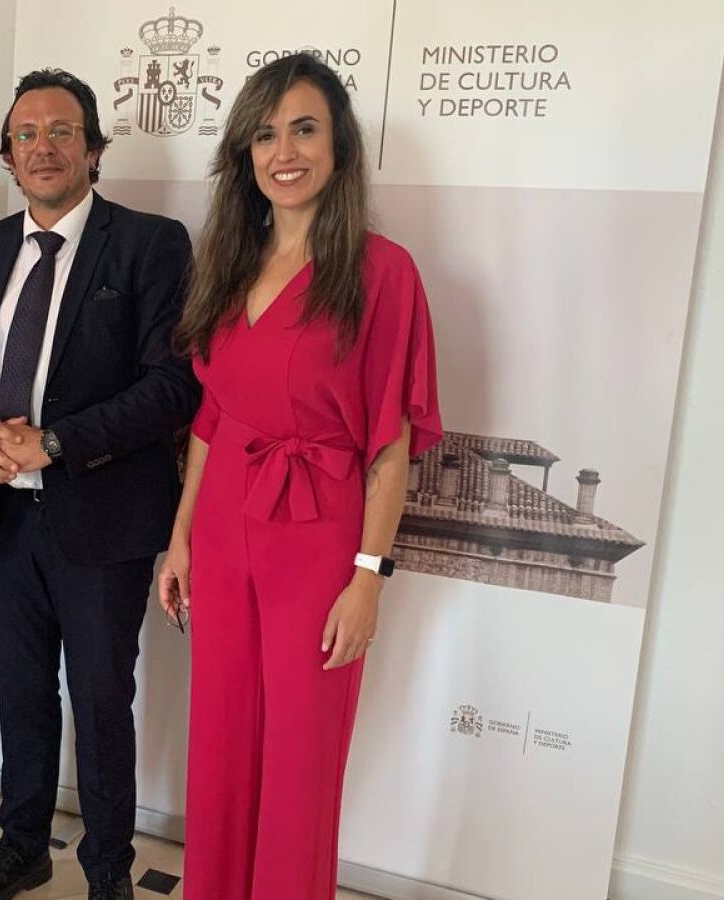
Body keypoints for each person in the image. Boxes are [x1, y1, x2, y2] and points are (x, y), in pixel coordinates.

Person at [158, 53, 443, 899]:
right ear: (244, 154)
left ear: (340, 146)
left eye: (304, 129)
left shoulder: (382, 272)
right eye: (265, 135)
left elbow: (389, 447)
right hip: (223, 529)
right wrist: (181, 540)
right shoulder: (228, 262)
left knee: (299, 764)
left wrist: (369, 578)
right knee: (220, 746)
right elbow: (211, 420)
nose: (284, 152)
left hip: (319, 540)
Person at [0, 69, 197, 900]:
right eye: (26, 134)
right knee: (19, 695)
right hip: (4, 520)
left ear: (92, 149)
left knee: (99, 702)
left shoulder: (151, 244)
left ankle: (107, 870)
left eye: (61, 131)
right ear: (7, 154)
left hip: (103, 520)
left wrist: (54, 443)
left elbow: (172, 388)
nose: (42, 147)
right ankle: (21, 847)